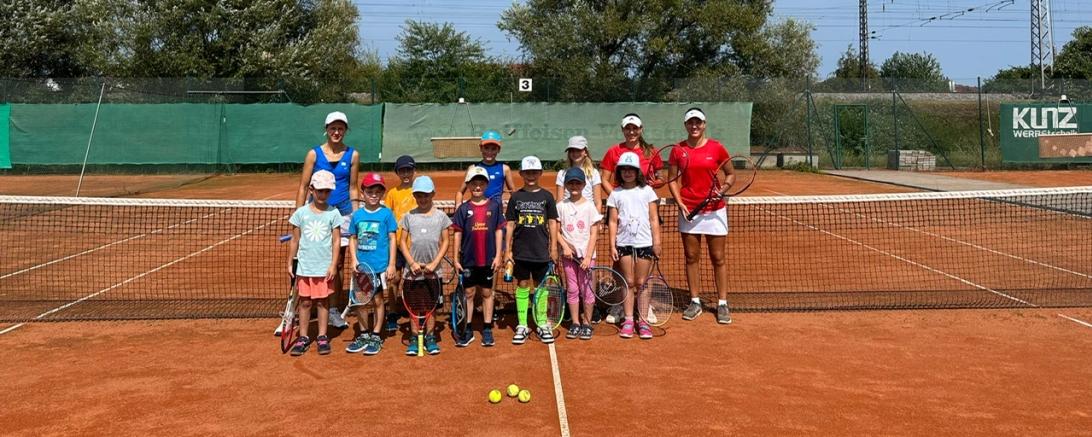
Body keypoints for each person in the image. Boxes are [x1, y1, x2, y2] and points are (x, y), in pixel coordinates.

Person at [667, 107, 735, 325]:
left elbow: (731, 175)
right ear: (685, 125)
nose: (694, 126)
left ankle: (722, 303)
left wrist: (723, 189)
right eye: (690, 123)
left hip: (715, 211)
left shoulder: (717, 148)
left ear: (704, 124)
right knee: (691, 257)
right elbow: (672, 180)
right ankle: (695, 301)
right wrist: (679, 203)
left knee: (718, 258)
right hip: (689, 211)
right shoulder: (678, 150)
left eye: (698, 122)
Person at [295, 111, 359, 330]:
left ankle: (332, 308)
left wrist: (357, 216)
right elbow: (304, 186)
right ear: (327, 129)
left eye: (341, 128)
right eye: (333, 128)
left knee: (338, 262)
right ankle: (305, 304)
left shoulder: (353, 155)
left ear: (345, 131)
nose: (337, 132)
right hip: (316, 214)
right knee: (309, 256)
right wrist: (299, 218)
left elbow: (352, 187)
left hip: (342, 213)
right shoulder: (313, 154)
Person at [287, 170, 343, 356]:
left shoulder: (333, 213)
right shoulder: (300, 214)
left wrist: (333, 265)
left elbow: (336, 241)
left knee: (322, 303)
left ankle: (322, 336)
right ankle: (303, 337)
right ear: (311, 189)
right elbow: (295, 240)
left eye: (327, 191)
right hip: (305, 267)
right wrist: (290, 262)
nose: (323, 194)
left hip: (323, 267)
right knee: (304, 303)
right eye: (319, 190)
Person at [505, 156, 559, 345]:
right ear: (521, 174)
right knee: (522, 285)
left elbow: (552, 222)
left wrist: (553, 247)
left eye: (534, 172)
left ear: (540, 173)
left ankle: (542, 323)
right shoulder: (516, 197)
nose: (531, 176)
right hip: (520, 251)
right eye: (527, 172)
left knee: (541, 287)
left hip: (540, 251)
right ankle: (522, 324)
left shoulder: (547, 196)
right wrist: (507, 251)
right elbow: (510, 225)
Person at [606, 152, 661, 339]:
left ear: (638, 172)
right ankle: (629, 320)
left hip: (645, 243)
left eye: (631, 169)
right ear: (619, 172)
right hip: (623, 243)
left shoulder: (647, 192)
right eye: (624, 169)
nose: (628, 173)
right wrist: (612, 245)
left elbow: (654, 218)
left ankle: (643, 321)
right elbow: (612, 221)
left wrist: (657, 242)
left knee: (642, 282)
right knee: (627, 282)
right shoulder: (615, 193)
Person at [451, 166, 506, 347]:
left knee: (487, 292)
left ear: (486, 184)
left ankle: (487, 328)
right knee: (469, 292)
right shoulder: (463, 209)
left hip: (488, 259)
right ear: (468, 185)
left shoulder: (494, 206)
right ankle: (468, 328)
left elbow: (499, 231)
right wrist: (456, 258)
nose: (477, 186)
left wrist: (498, 255)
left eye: (481, 183)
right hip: (469, 259)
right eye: (473, 183)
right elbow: (457, 234)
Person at [345, 172, 398, 356]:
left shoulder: (386, 214)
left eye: (378, 191)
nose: (374, 194)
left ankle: (376, 335)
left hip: (380, 267)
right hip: (362, 268)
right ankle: (364, 334)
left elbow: (392, 239)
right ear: (363, 193)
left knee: (377, 300)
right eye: (370, 191)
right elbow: (352, 238)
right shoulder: (357, 215)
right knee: (361, 302)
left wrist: (391, 264)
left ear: (382, 193)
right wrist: (354, 260)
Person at [398, 176, 452, 356]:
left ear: (433, 195)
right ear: (414, 196)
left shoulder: (441, 217)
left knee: (431, 306)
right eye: (419, 195)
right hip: (412, 272)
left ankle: (429, 336)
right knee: (414, 306)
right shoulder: (408, 216)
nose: (422, 199)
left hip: (433, 272)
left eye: (426, 195)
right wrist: (411, 263)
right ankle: (414, 337)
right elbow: (402, 242)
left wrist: (435, 263)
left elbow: (445, 241)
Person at [556, 167, 602, 341]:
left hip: (587, 258)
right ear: (566, 185)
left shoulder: (590, 207)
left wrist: (588, 257)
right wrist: (565, 247)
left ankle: (587, 323)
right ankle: (575, 323)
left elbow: (594, 233)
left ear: (584, 185)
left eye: (577, 182)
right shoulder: (560, 206)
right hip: (568, 258)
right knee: (573, 289)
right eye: (570, 183)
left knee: (587, 291)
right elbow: (555, 231)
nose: (574, 186)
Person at [383, 155, 417, 333]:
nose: (406, 173)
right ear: (397, 172)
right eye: (402, 170)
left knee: (413, 280)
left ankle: (414, 310)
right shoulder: (392, 193)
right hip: (396, 244)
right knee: (394, 279)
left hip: (415, 245)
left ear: (414, 171)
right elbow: (388, 217)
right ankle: (392, 313)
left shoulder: (419, 190)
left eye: (409, 170)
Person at [599, 113, 662, 196]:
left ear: (641, 129)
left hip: (644, 202)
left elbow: (661, 178)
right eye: (627, 128)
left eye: (635, 128)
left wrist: (658, 182)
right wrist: (616, 198)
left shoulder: (651, 151)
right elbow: (604, 180)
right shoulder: (613, 151)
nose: (631, 132)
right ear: (622, 129)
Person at [456, 130, 516, 206]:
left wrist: (514, 212)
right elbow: (460, 192)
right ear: (481, 148)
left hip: (496, 214)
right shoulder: (472, 168)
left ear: (499, 150)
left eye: (493, 149)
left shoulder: (505, 169)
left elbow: (513, 193)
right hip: (477, 211)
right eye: (486, 148)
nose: (489, 152)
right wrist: (458, 207)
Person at [555, 135, 602, 208]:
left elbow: (598, 202)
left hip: (588, 214)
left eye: (578, 150)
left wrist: (596, 218)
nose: (575, 153)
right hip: (567, 213)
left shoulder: (594, 173)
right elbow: (559, 200)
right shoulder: (562, 173)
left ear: (585, 152)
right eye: (572, 150)